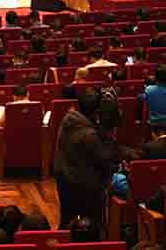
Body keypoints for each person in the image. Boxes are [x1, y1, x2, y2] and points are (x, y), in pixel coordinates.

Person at [53, 88, 116, 237]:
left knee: (67, 219)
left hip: (65, 176)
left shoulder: (71, 118)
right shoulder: (89, 134)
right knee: (91, 226)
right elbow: (105, 157)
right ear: (95, 112)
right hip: (83, 183)